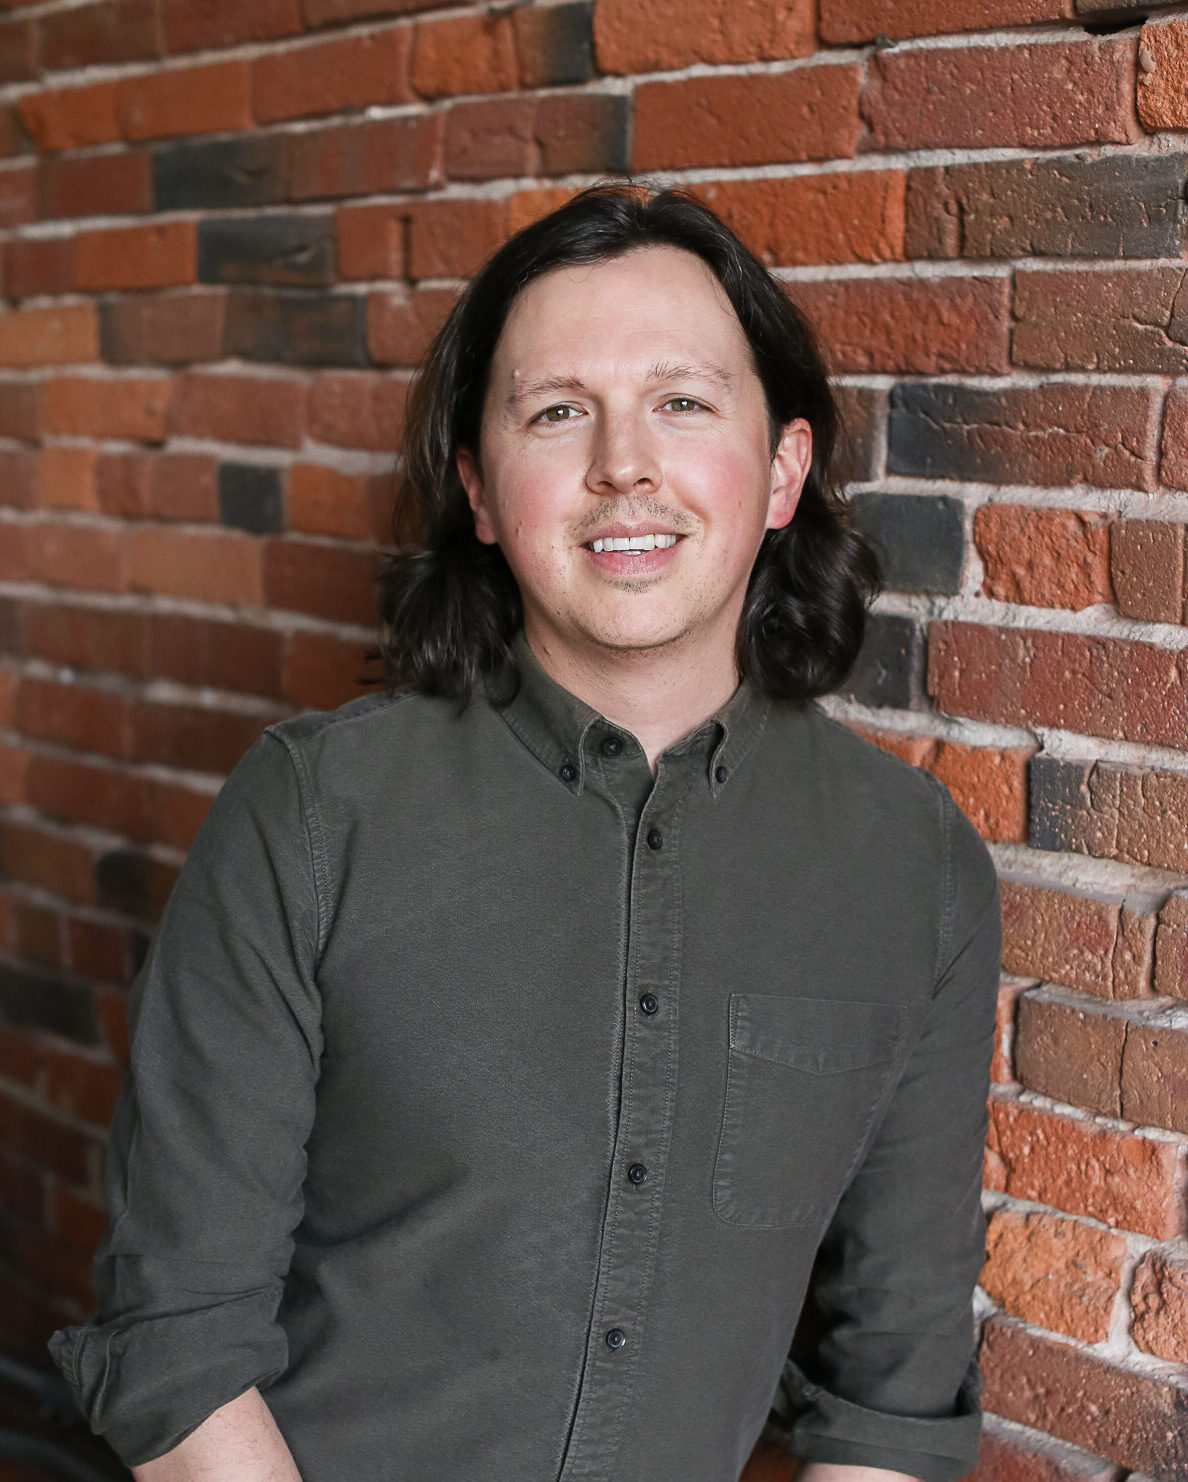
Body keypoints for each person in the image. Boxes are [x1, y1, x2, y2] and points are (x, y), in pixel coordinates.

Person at [49, 184, 1001, 1482]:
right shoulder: (317, 813)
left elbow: (892, 1387)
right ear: (482, 490)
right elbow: (174, 1334)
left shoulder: (916, 868)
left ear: (782, 468)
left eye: (681, 400)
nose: (624, 462)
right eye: (558, 411)